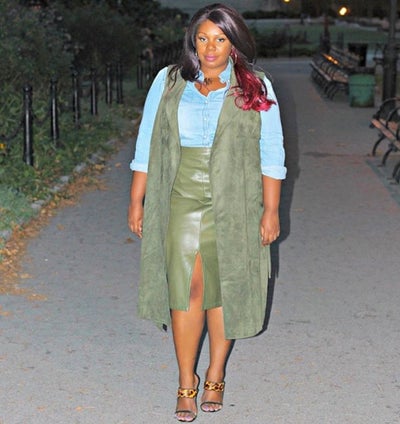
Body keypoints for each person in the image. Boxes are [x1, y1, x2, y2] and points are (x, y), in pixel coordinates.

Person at [128, 3, 286, 422]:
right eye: (203, 38)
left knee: (225, 284)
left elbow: (271, 152)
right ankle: (186, 380)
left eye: (220, 39)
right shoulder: (168, 81)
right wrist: (137, 199)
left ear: (234, 43)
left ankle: (216, 371)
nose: (210, 47)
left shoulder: (255, 86)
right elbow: (147, 142)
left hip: (235, 199)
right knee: (188, 287)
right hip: (181, 196)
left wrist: (271, 210)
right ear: (192, 41)